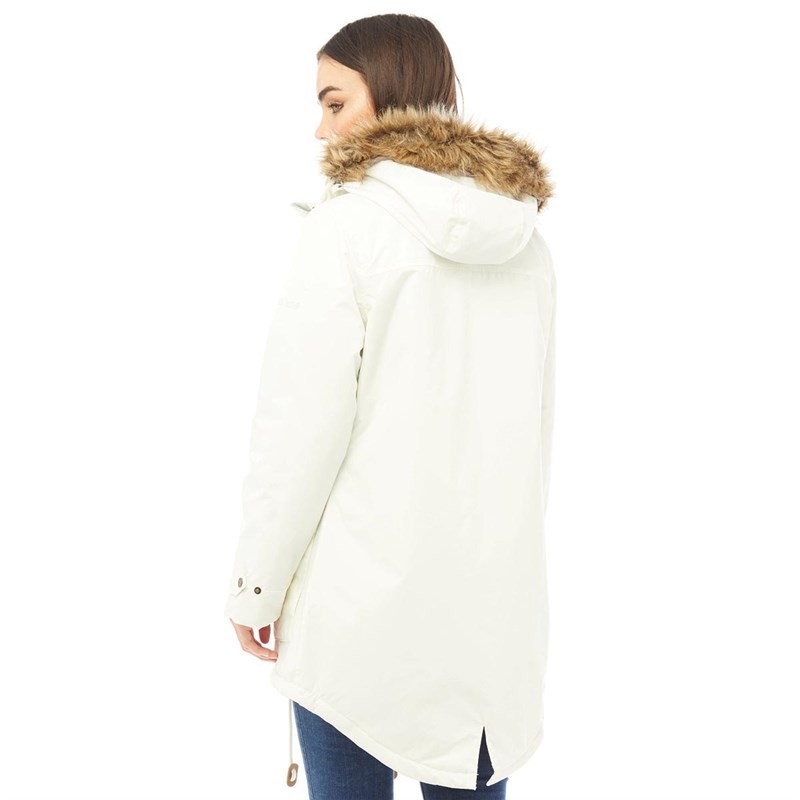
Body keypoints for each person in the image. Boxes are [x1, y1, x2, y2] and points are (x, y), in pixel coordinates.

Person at [224, 13, 556, 799]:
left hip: (353, 622)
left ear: (392, 90)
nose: (321, 128)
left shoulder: (348, 227)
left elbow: (298, 434)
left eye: (334, 102)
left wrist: (256, 587)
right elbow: (535, 440)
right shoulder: (526, 242)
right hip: (489, 630)